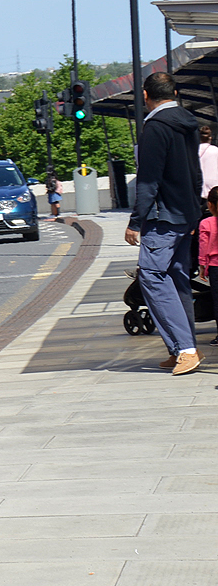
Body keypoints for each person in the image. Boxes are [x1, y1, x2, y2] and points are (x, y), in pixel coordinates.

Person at [125, 72, 204, 375]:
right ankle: (182, 349)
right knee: (176, 278)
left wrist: (135, 221)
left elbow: (148, 180)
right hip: (185, 214)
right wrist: (194, 210)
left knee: (152, 277)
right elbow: (195, 172)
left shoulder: (155, 128)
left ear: (146, 95)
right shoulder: (188, 123)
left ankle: (185, 349)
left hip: (162, 217)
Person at [198, 187, 218, 345]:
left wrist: (202, 265)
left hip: (215, 266)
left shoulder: (206, 223)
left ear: (210, 205)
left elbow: (204, 247)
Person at [199, 126, 218, 207]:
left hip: (197, 187)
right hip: (213, 187)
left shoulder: (193, 150)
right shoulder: (215, 150)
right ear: (210, 138)